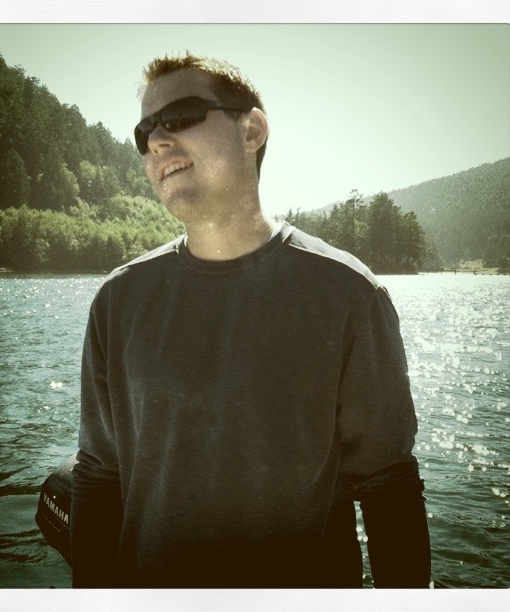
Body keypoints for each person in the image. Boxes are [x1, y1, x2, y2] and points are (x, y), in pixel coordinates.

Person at [70, 53, 431, 588]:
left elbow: (388, 485)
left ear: (252, 130)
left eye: (180, 116)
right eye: (144, 133)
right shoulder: (117, 302)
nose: (157, 141)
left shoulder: (349, 295)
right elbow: (101, 476)